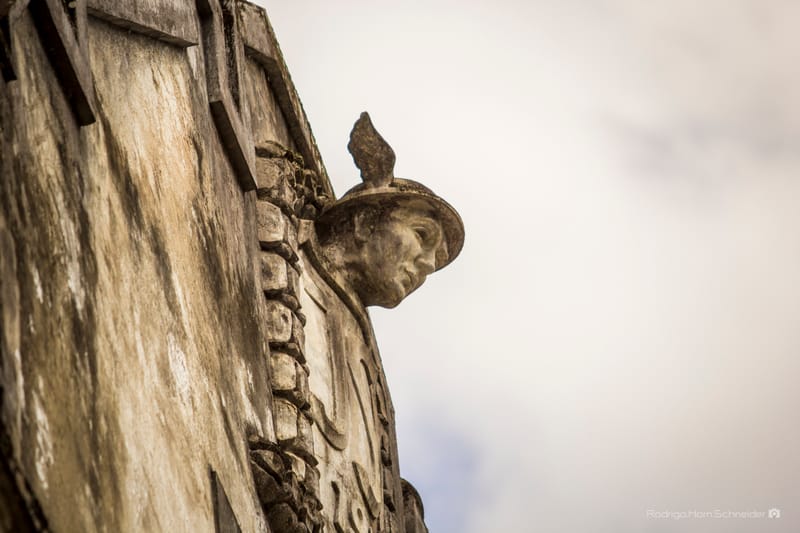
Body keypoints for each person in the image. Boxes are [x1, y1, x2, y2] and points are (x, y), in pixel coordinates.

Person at [314, 112, 464, 308]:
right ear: (365, 222)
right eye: (420, 234)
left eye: (437, 258)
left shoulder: (357, 330)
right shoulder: (291, 260)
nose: (429, 265)